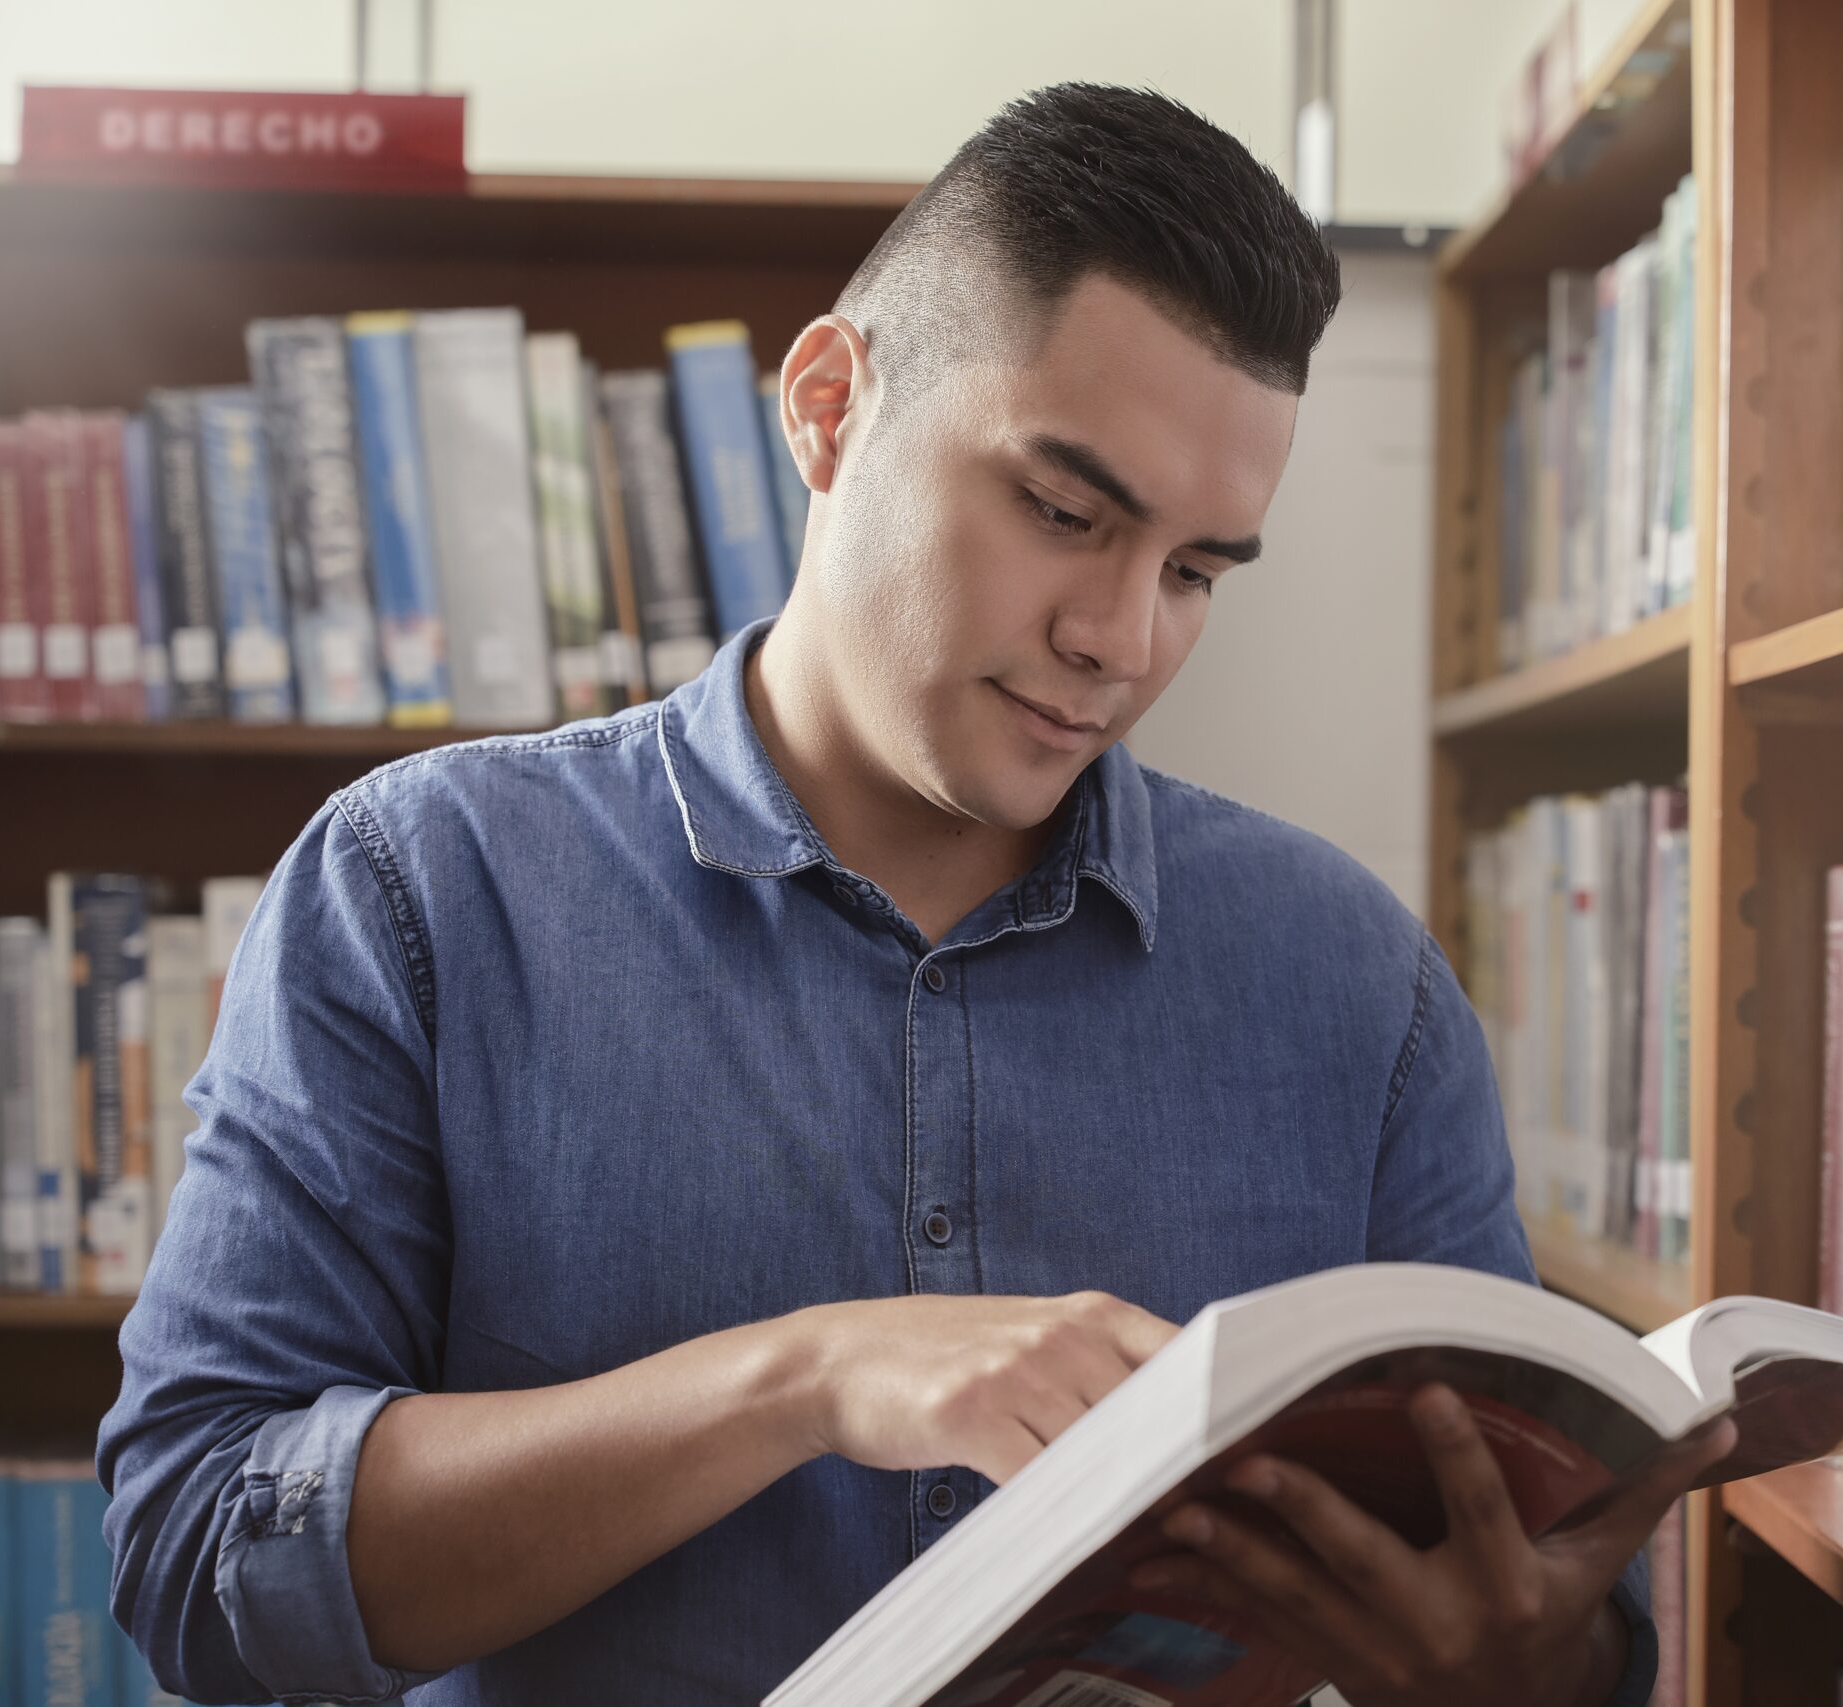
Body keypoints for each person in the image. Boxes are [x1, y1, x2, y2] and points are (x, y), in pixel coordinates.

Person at [99, 82, 1731, 1707]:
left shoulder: (1353, 984)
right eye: (1062, 511)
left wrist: (1519, 1657)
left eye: (1194, 571)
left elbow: (1560, 1637)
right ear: (826, 407)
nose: (1123, 639)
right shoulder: (422, 891)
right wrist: (801, 1380)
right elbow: (196, 1560)